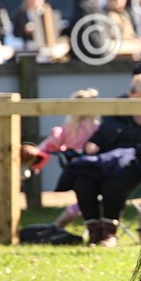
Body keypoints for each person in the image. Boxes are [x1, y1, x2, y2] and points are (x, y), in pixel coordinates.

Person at [66, 73, 141, 247]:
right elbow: (100, 135)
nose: (129, 93)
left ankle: (109, 233)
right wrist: (92, 144)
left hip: (140, 166)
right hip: (108, 160)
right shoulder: (118, 109)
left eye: (134, 89)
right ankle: (94, 232)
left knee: (114, 182)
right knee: (82, 179)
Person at [34, 88, 100, 229]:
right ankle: (60, 224)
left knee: (83, 197)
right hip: (91, 166)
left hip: (72, 167)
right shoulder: (96, 127)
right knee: (88, 196)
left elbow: (53, 144)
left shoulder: (67, 126)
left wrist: (38, 161)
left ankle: (58, 224)